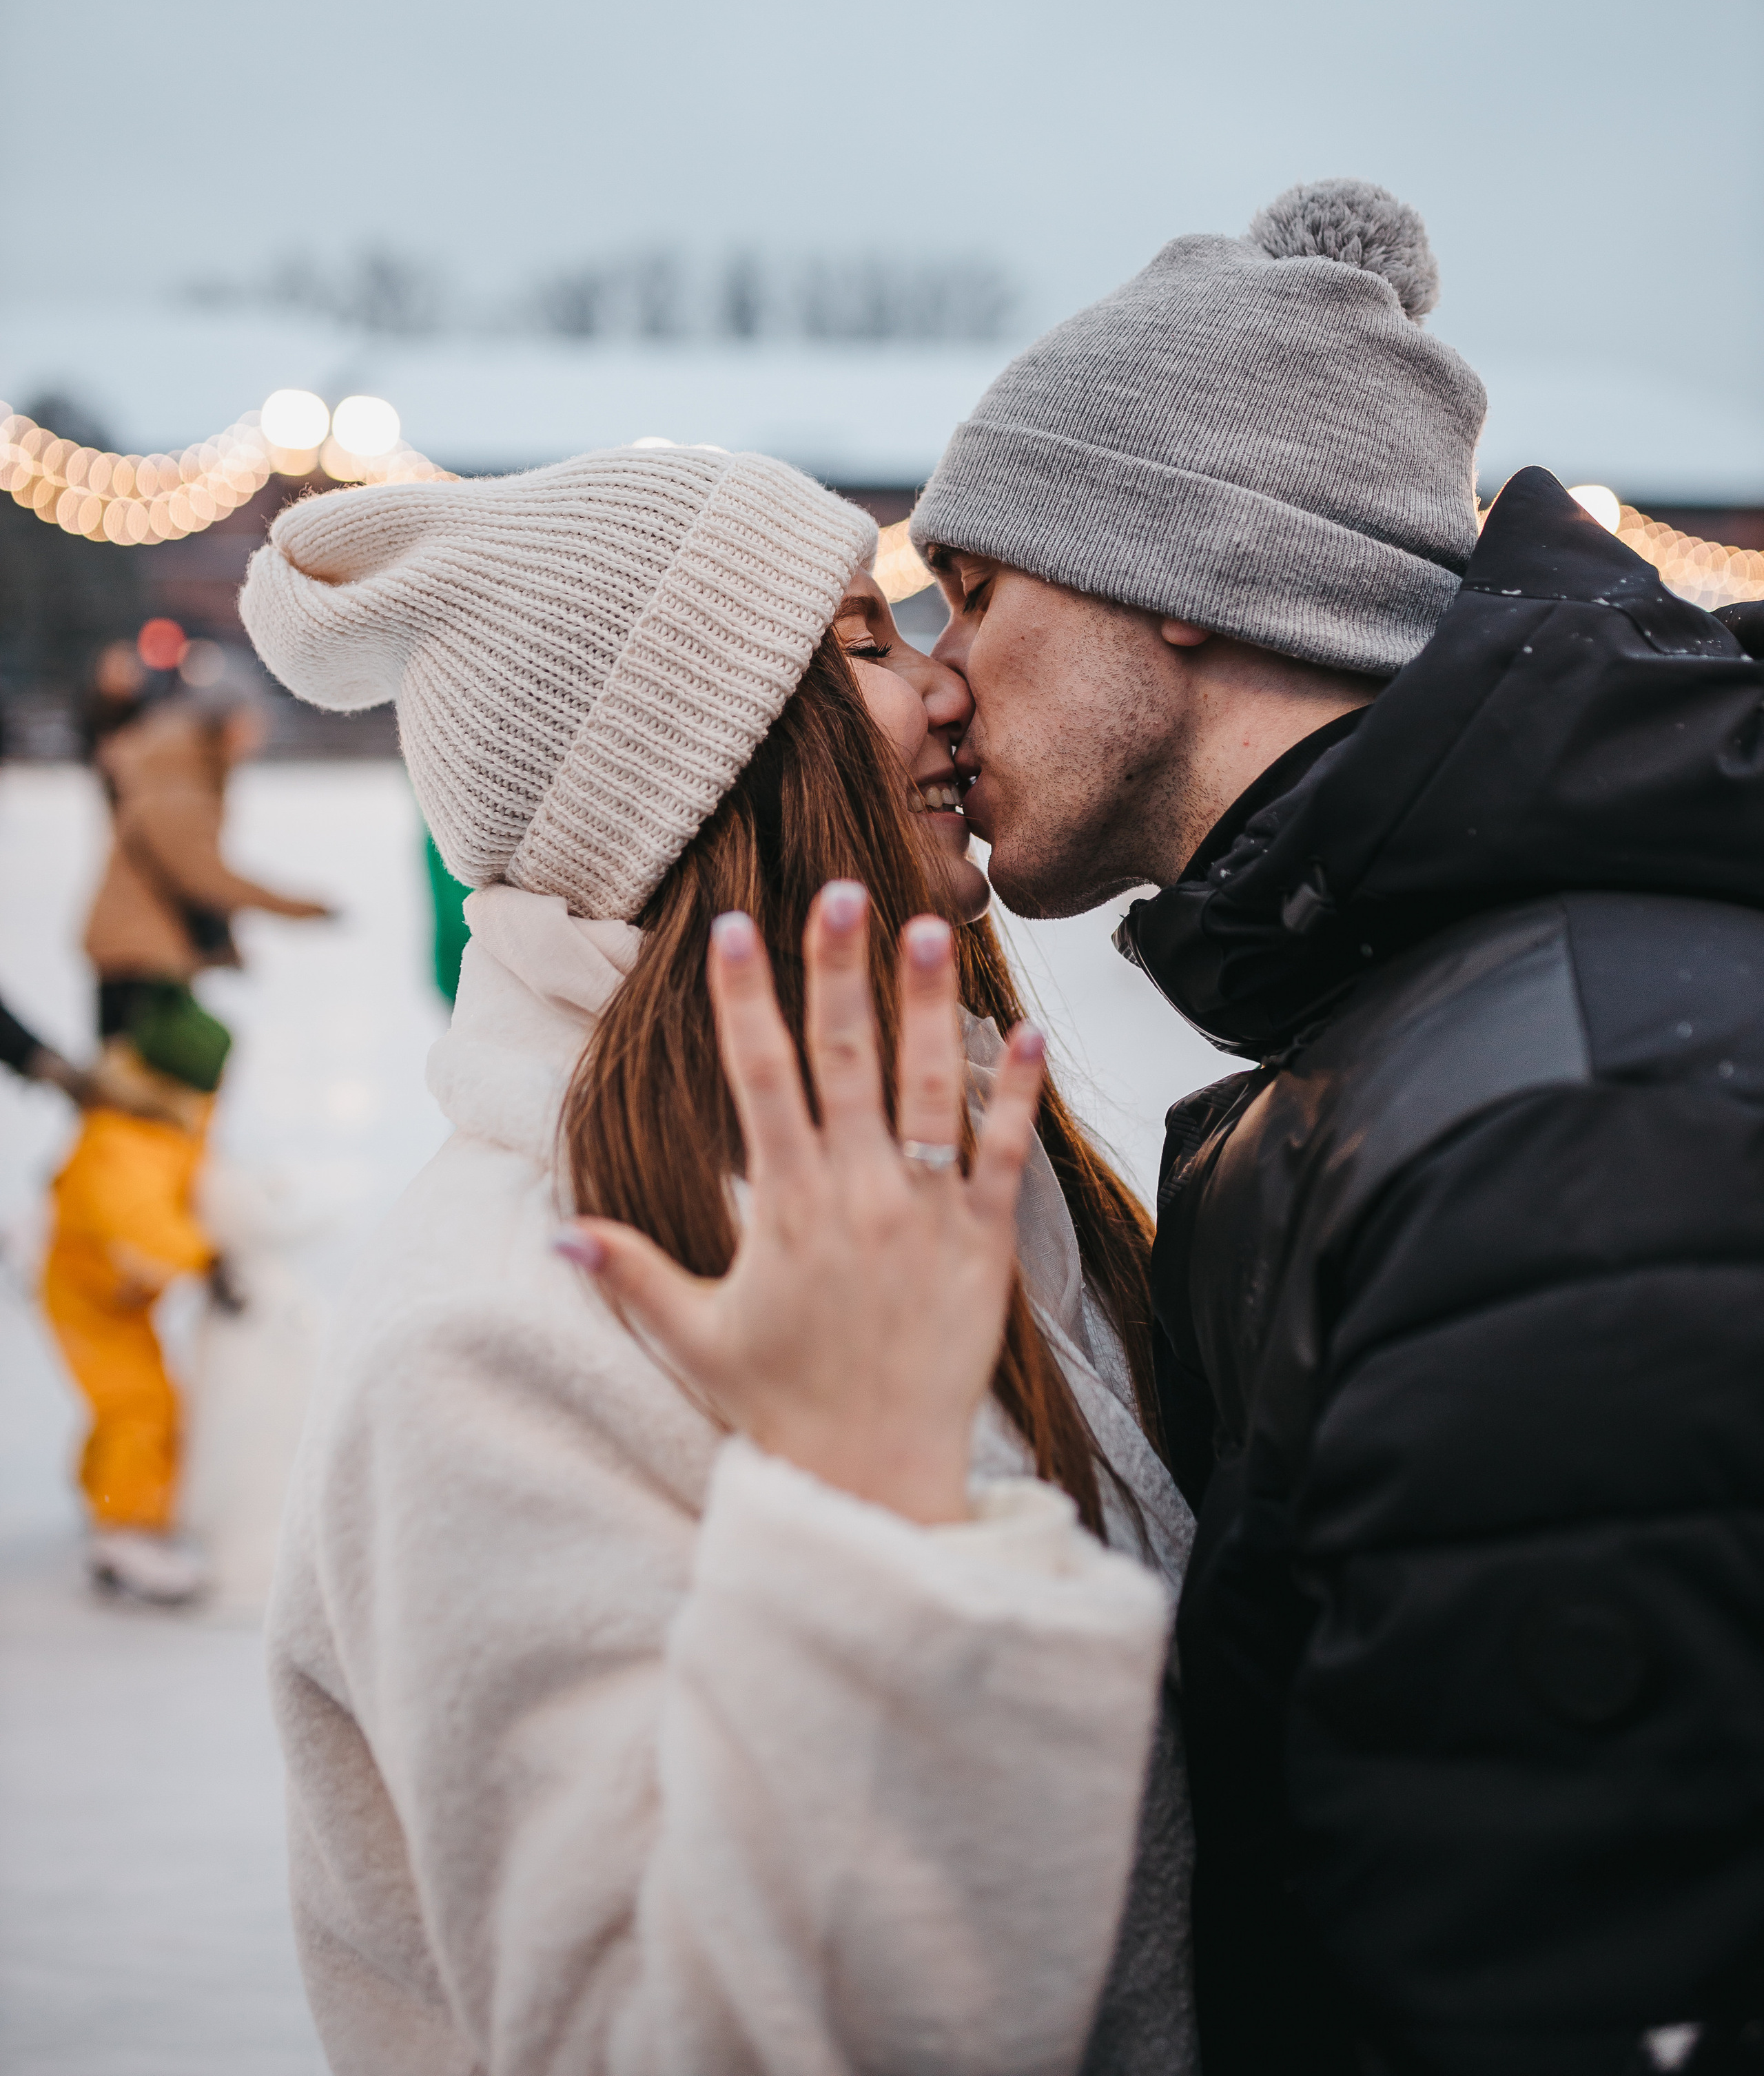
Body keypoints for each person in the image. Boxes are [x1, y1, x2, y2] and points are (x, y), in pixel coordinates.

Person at [909, 176, 1764, 2074]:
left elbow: (1552, 1987)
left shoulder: (1560, 1140)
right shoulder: (1415, 1032)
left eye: (974, 592)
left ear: (1182, 576)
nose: (938, 677)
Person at [240, 446, 1193, 2076]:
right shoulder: (499, 1330)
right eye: (859, 649)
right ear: (706, 764)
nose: (943, 688)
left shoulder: (959, 1156)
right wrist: (874, 1514)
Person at [42, 692, 333, 1603]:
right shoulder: (176, 775)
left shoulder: (182, 767)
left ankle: (107, 1498)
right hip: (93, 1275)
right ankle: (125, 1533)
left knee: (130, 1394)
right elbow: (195, 866)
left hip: (98, 1265)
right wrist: (205, 1261)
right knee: (141, 1402)